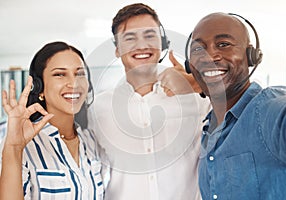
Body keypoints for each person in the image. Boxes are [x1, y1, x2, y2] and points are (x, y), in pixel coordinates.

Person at [88, 3, 211, 200]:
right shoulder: (96, 110)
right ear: (117, 49)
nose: (142, 45)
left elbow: (244, 106)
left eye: (149, 35)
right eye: (130, 38)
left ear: (162, 43)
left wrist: (198, 84)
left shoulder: (198, 100)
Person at [186, 12, 286, 199]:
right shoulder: (207, 130)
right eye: (198, 49)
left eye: (223, 44)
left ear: (251, 56)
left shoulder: (269, 109)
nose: (210, 56)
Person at [0, 41, 110, 200]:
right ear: (40, 88)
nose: (74, 83)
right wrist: (14, 148)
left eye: (79, 74)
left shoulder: (91, 141)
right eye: (60, 74)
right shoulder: (19, 146)